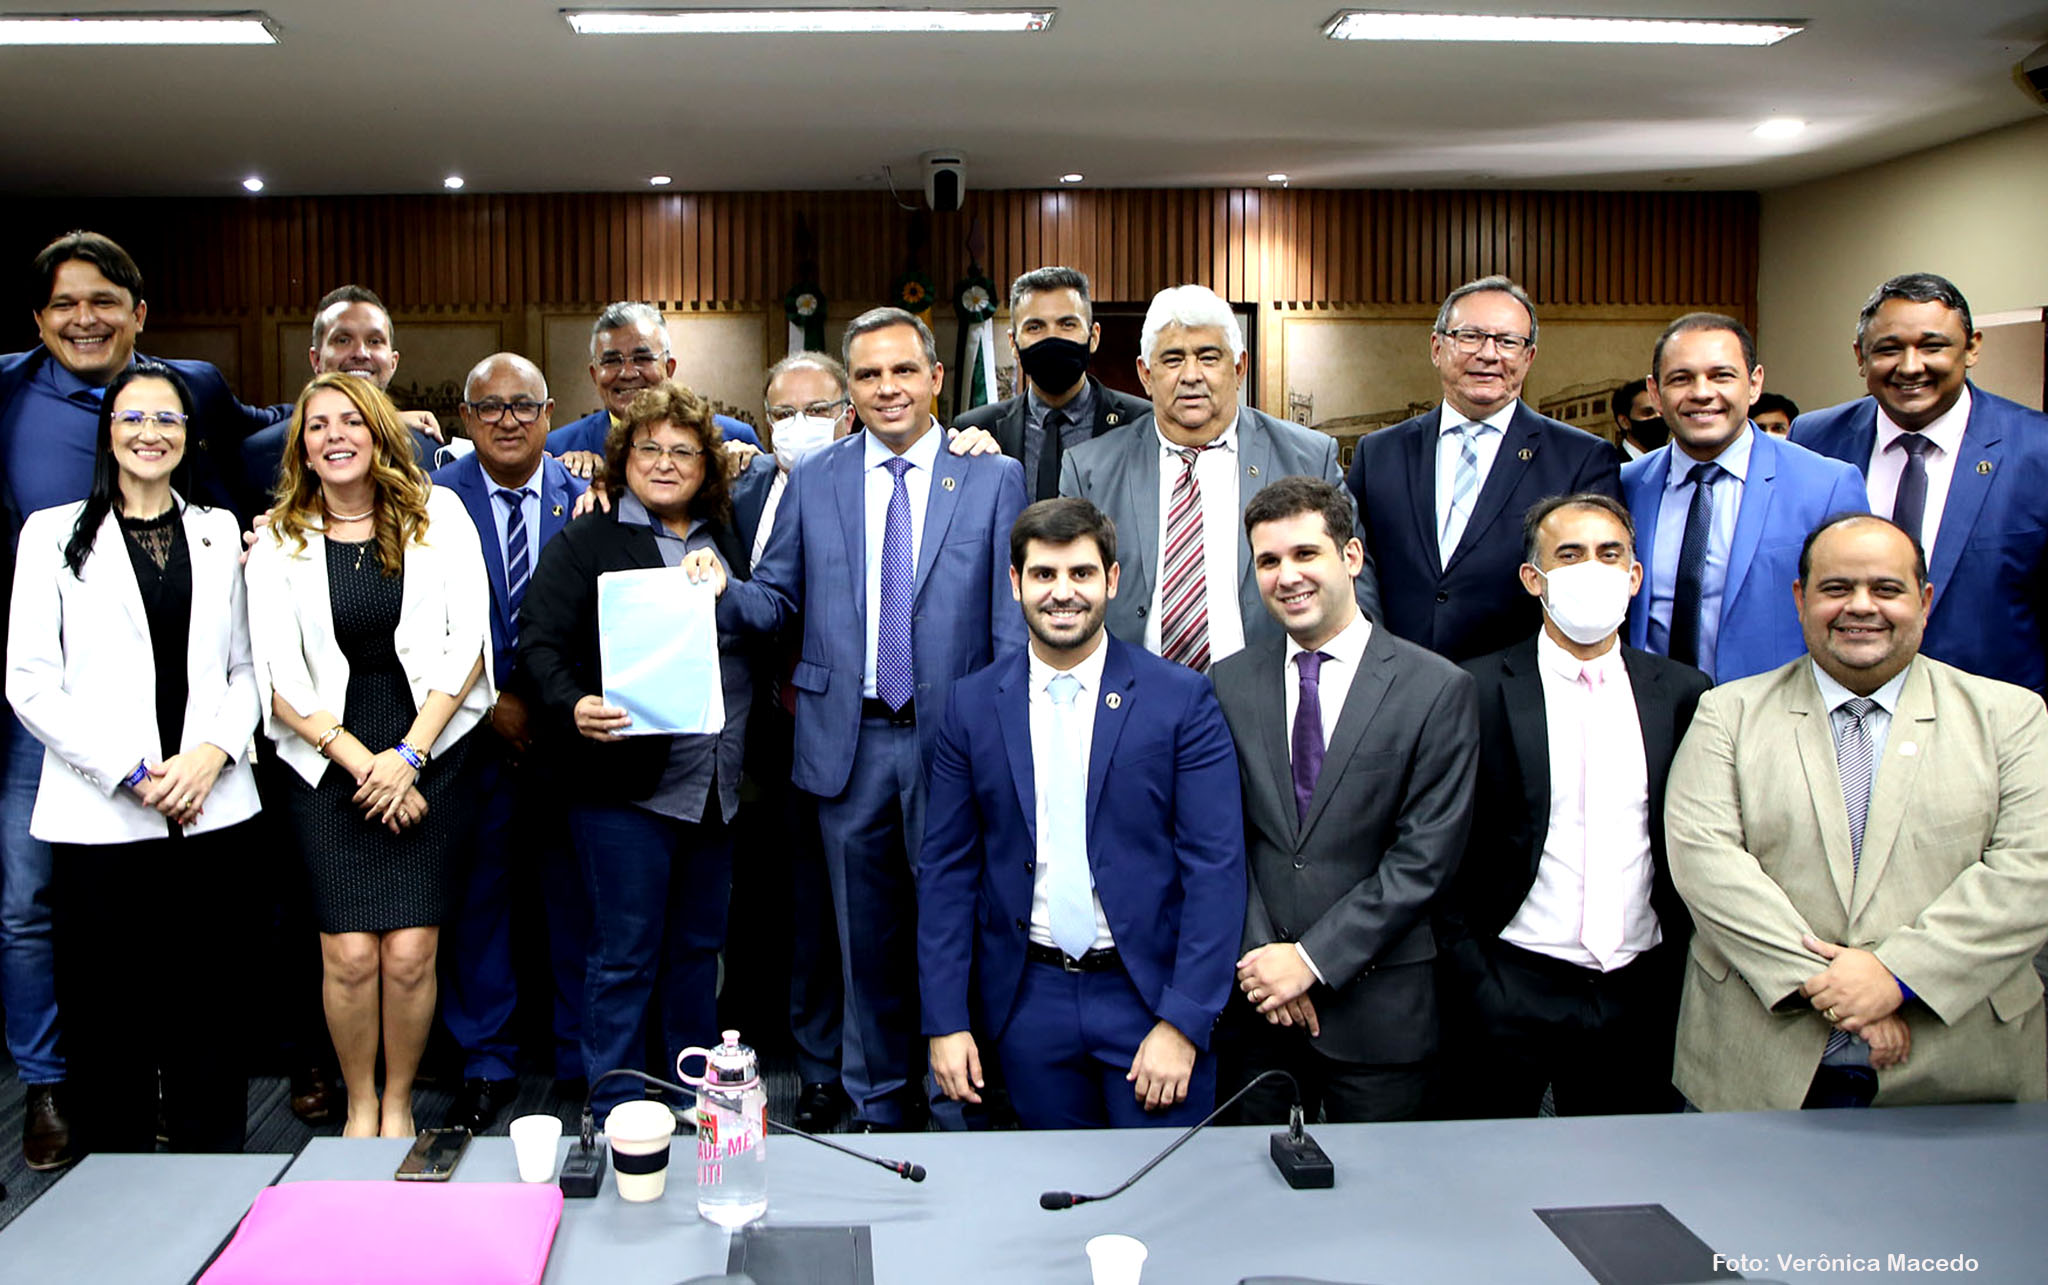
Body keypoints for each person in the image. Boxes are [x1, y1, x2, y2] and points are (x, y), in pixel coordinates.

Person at [716, 307, 1027, 1131]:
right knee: (861, 941)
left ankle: (957, 1103)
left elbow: (1008, 626)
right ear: (850, 392)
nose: (887, 388)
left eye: (903, 370)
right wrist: (716, 590)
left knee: (956, 927)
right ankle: (877, 1102)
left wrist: (1002, 743)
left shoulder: (992, 476)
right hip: (844, 743)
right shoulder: (817, 476)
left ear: (935, 378)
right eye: (868, 374)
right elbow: (776, 598)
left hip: (953, 744)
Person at [0, 230, 273, 1168]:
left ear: (188, 433)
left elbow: (248, 670)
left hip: (211, 809)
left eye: (166, 418)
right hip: (100, 813)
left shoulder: (221, 532)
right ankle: (111, 1197)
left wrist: (208, 757)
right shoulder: (50, 536)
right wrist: (130, 769)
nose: (150, 432)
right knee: (108, 1023)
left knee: (209, 1019)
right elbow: (29, 681)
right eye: (132, 418)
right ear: (107, 431)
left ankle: (212, 1187)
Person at [1667, 514, 2048, 1110]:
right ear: (1801, 600)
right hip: (1758, 1065)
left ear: (1924, 601)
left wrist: (1897, 978)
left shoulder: (2012, 717)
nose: (1861, 606)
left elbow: (2030, 874)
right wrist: (1843, 992)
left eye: (1886, 589)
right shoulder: (1728, 714)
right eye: (1837, 588)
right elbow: (1707, 866)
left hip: (1963, 1070)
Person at [919, 497, 1245, 1128]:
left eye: (1081, 573)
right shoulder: (972, 706)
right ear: (1015, 582)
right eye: (1043, 574)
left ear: (1112, 580)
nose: (1062, 592)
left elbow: (1217, 869)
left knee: (1163, 1183)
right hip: (1027, 1000)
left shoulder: (1182, 701)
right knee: (1051, 1182)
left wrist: (1184, 1020)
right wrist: (946, 1020)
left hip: (1147, 999)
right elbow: (947, 873)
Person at [244, 371, 491, 1138]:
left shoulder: (439, 513)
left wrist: (408, 756)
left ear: (380, 430)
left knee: (412, 951)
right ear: (302, 447)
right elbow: (276, 676)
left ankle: (398, 1102)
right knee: (349, 953)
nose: (335, 435)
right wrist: (366, 763)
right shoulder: (279, 536)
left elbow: (468, 643)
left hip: (433, 748)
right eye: (317, 425)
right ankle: (358, 1103)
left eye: (351, 420)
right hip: (326, 761)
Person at [522, 381, 755, 1120]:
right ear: (623, 458)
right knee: (623, 953)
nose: (663, 462)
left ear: (707, 464)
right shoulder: (587, 538)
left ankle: (692, 1093)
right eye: (648, 448)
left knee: (697, 948)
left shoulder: (728, 534)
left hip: (715, 784)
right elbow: (538, 644)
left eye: (683, 450)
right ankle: (616, 1101)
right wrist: (572, 704)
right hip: (624, 785)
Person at [1210, 477, 1476, 1123]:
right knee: (1246, 1179)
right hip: (1257, 1010)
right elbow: (1219, 839)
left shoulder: (1436, 688)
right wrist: (1265, 964)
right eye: (1268, 561)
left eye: (1306, 554)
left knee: (1382, 1186)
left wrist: (1310, 960)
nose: (1287, 576)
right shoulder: (1228, 683)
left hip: (1380, 1010)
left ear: (1351, 556)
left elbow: (1424, 858)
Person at [1439, 493, 1710, 1118]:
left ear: (1634, 576)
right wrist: (1472, 970)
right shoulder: (1473, 689)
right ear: (1533, 578)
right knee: (1486, 1161)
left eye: (1609, 554)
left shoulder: (1682, 693)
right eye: (1570, 555)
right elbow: (1444, 841)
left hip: (1638, 990)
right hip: (1510, 980)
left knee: (1625, 1170)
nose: (1592, 568)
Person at [430, 354, 589, 1131]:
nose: (507, 420)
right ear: (466, 419)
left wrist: (548, 701)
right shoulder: (431, 501)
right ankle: (486, 1060)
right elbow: (420, 619)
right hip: (470, 734)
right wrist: (490, 701)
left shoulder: (587, 496)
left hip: (568, 737)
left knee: (575, 902)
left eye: (523, 405)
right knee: (478, 904)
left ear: (549, 413)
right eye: (488, 407)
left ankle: (581, 1056)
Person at [1059, 284, 1380, 669]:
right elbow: (1065, 595)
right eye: (1172, 360)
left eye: (1209, 358)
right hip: (1132, 692)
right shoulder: (1089, 470)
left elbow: (1354, 589)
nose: (1191, 376)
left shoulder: (1308, 457)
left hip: (1276, 690)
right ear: (1145, 374)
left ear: (1239, 367)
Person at [1792, 272, 2048, 696]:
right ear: (1860, 356)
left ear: (1972, 348)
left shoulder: (2038, 449)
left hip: (1988, 713)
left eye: (1932, 346)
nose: (1910, 367)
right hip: (1840, 704)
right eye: (1889, 349)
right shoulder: (1814, 440)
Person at [1349, 275, 1620, 663]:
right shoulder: (1379, 452)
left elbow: (1590, 585)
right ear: (1437, 347)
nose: (1489, 354)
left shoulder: (1580, 458)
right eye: (1470, 336)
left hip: (1517, 683)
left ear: (1528, 357)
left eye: (1508, 341)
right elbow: (1356, 567)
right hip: (1395, 676)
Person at [726, 352, 854, 1131]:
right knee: (752, 899)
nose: (798, 425)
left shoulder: (862, 484)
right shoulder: (733, 485)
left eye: (817, 410)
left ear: (847, 413)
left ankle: (824, 1066)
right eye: (783, 412)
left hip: (835, 723)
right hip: (748, 726)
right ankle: (751, 1047)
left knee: (827, 906)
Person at [1622, 313, 1867, 683]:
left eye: (1721, 376)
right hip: (1649, 708)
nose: (1701, 392)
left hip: (1775, 709)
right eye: (1681, 378)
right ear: (1655, 392)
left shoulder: (1827, 486)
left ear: (1754, 384)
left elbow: (1856, 618)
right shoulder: (1625, 485)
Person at [953, 266, 1149, 501]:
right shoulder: (977, 429)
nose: (1052, 338)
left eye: (1067, 324)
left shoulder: (1142, 423)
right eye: (1035, 327)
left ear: (1094, 336)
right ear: (1013, 343)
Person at [240, 285, 445, 496]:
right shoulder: (261, 455)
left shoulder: (428, 447)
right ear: (316, 359)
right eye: (343, 340)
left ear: (393, 362)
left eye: (374, 341)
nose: (361, 353)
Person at [545, 301, 757, 480]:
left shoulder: (733, 439)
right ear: (594, 375)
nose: (628, 373)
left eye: (642, 358)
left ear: (669, 368)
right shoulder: (559, 449)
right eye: (612, 361)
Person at [1610, 377, 1666, 461]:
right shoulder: (1610, 466)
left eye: (1662, 411)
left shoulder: (1675, 463)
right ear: (1624, 422)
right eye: (1648, 413)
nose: (1658, 417)